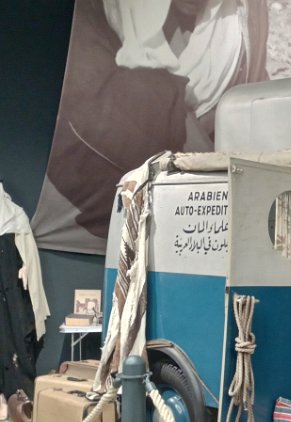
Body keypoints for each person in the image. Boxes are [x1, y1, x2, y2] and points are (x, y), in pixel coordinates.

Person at [33, 0, 268, 249]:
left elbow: (254, 98)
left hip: (206, 219)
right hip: (109, 210)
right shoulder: (91, 20)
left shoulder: (240, 17)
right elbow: (94, 113)